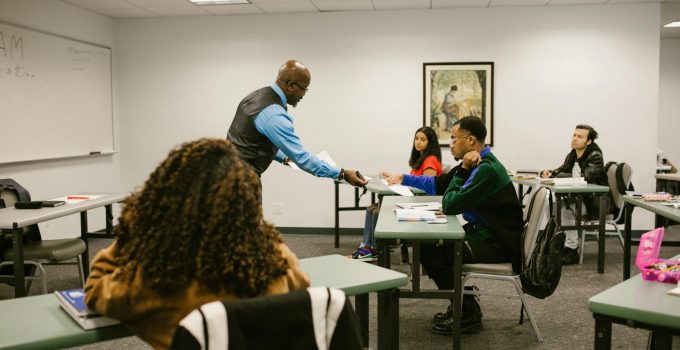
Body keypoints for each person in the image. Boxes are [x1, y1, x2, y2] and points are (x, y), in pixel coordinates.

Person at [84, 138, 310, 350]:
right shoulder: (276, 258)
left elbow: (95, 290)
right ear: (242, 201)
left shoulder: (152, 280)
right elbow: (302, 290)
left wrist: (135, 230)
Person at [384, 117, 524, 335]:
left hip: (498, 243)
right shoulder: (478, 164)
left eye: (453, 138)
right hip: (486, 235)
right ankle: (462, 303)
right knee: (430, 246)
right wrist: (404, 178)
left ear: (470, 140)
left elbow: (450, 204)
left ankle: (466, 311)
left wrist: (464, 169)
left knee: (430, 250)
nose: (450, 144)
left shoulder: (486, 169)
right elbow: (439, 184)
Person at [226, 60, 367, 188]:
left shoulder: (255, 96)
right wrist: (342, 174)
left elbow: (251, 142)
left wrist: (286, 157)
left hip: (226, 175)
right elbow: (303, 159)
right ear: (291, 86)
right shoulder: (274, 115)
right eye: (304, 88)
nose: (304, 94)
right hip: (240, 184)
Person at [350, 126, 443, 260]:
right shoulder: (422, 158)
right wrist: (395, 177)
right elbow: (415, 182)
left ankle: (375, 248)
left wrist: (401, 182)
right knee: (372, 208)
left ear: (430, 142)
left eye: (423, 139)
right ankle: (367, 246)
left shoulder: (430, 160)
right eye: (416, 139)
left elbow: (426, 188)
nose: (418, 142)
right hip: (414, 200)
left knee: (377, 210)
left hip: (422, 204)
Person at [541, 124, 607, 265]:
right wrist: (550, 173)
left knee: (565, 208)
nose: (574, 138)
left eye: (579, 136)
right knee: (550, 204)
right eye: (574, 135)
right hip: (580, 199)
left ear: (588, 141)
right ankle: (557, 242)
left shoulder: (595, 155)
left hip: (595, 201)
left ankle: (572, 249)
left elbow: (586, 176)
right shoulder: (573, 154)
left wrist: (559, 175)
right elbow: (563, 169)